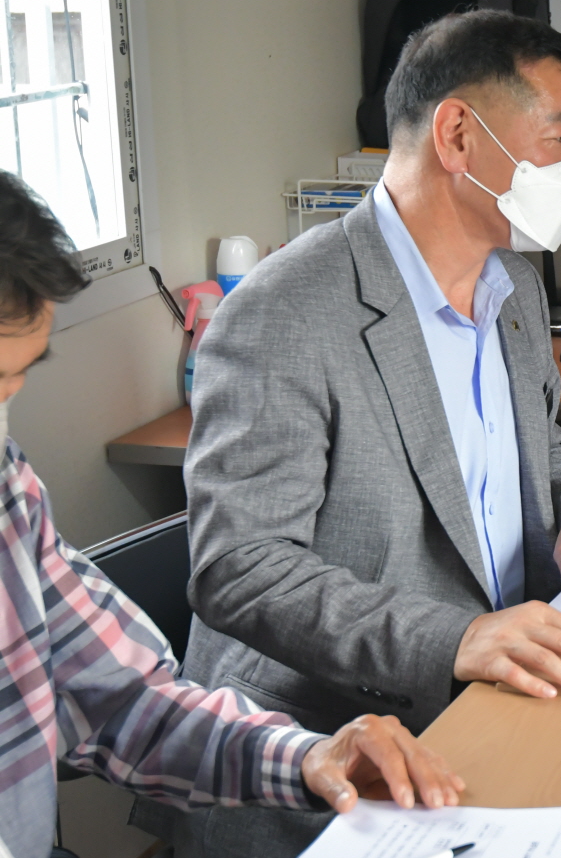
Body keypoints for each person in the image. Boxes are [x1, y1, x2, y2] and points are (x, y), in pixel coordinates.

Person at [148, 11, 561, 853]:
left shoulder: (513, 283)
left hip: (498, 705)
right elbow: (240, 570)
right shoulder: (283, 313)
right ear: (457, 135)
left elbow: (537, 442)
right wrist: (459, 639)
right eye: (556, 139)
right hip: (341, 751)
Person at [0, 173, 464, 858]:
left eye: (12, 380)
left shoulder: (9, 494)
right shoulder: (285, 310)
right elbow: (246, 567)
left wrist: (308, 758)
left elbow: (122, 700)